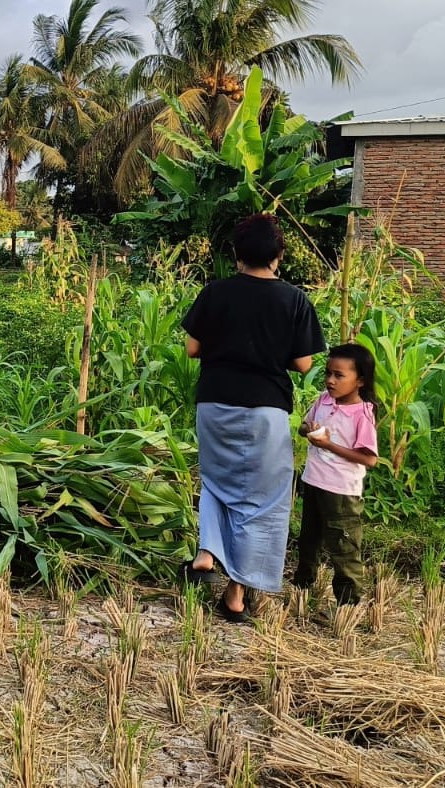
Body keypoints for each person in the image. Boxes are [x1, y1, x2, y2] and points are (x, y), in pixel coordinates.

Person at [178, 214, 326, 623]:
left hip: (215, 403)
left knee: (215, 482)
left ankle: (207, 552)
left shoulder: (215, 292)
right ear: (278, 255)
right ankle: (236, 595)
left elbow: (193, 348)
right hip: (266, 409)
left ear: (235, 255)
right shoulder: (294, 299)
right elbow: (304, 363)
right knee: (265, 501)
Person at [293, 344, 380, 606]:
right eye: (328, 373)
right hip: (313, 482)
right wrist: (309, 428)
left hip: (341, 491)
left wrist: (329, 445)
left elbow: (369, 459)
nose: (330, 380)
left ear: (360, 380)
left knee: (343, 547)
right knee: (308, 540)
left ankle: (348, 603)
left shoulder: (362, 414)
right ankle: (302, 592)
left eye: (339, 375)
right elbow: (302, 428)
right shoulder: (323, 399)